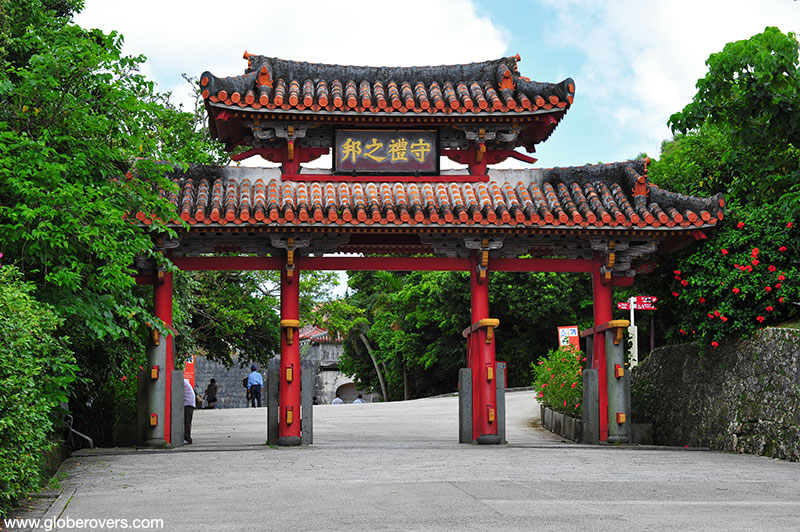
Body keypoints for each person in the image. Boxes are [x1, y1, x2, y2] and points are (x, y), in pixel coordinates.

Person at [183, 378, 195, 444]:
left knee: (187, 421)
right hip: (189, 403)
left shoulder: (180, 381)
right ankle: (186, 437)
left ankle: (187, 439)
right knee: (187, 421)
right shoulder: (183, 381)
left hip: (188, 403)